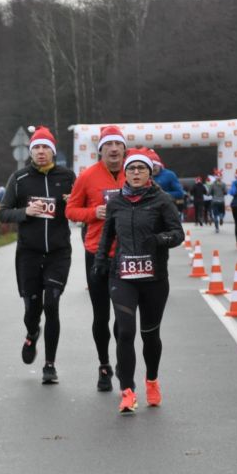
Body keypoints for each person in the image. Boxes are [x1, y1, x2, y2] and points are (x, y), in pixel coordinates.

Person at [92, 148, 184, 414]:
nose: (135, 173)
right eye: (131, 169)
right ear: (125, 173)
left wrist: (158, 240)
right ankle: (127, 392)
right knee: (125, 332)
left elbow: (177, 234)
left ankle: (152, 381)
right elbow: (107, 236)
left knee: (150, 335)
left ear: (149, 172)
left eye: (141, 168)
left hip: (154, 278)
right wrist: (100, 261)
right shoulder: (116, 202)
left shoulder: (162, 200)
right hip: (123, 276)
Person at [0, 126, 76, 384]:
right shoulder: (19, 178)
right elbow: (2, 213)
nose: (41, 152)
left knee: (52, 305)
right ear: (31, 152)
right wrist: (25, 213)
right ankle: (32, 333)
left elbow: (81, 208)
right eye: (36, 148)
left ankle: (49, 365)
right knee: (32, 309)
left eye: (45, 148)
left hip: (58, 252)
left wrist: (72, 203)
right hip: (28, 254)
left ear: (53, 151)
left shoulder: (68, 177)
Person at [67, 124, 126, 391]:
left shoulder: (135, 172)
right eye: (108, 145)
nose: (113, 149)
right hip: (97, 254)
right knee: (101, 316)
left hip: (128, 254)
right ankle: (104, 365)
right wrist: (93, 213)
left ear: (124, 149)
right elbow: (70, 210)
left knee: (124, 318)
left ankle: (124, 363)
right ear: (100, 150)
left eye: (118, 145)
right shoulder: (87, 176)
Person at [150, 151, 186, 219]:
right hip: (152, 211)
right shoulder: (147, 176)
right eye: (150, 166)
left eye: (154, 165)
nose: (153, 169)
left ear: (159, 165)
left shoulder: (169, 175)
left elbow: (180, 193)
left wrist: (161, 195)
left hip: (168, 209)